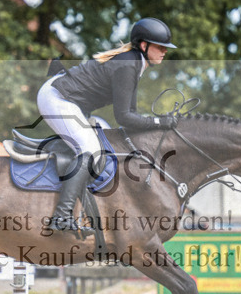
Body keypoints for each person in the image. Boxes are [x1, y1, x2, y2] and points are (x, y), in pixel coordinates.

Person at [36, 17, 178, 234]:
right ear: (143, 45)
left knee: (108, 138)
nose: (164, 51)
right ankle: (61, 217)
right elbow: (125, 118)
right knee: (91, 150)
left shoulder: (134, 63)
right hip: (57, 98)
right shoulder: (128, 65)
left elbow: (130, 117)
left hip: (70, 101)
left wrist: (156, 123)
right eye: (160, 47)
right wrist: (160, 122)